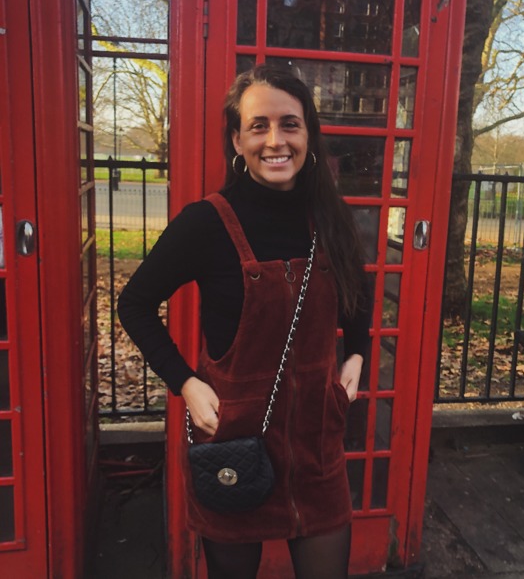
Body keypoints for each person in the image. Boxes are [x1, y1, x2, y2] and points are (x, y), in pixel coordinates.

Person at [118, 64, 372, 579]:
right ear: (237, 140)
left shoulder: (329, 215)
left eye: (290, 124)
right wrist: (186, 383)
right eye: (259, 126)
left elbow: (355, 289)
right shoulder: (206, 222)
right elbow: (135, 303)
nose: (275, 141)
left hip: (316, 445)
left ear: (308, 135)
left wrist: (357, 354)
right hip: (235, 442)